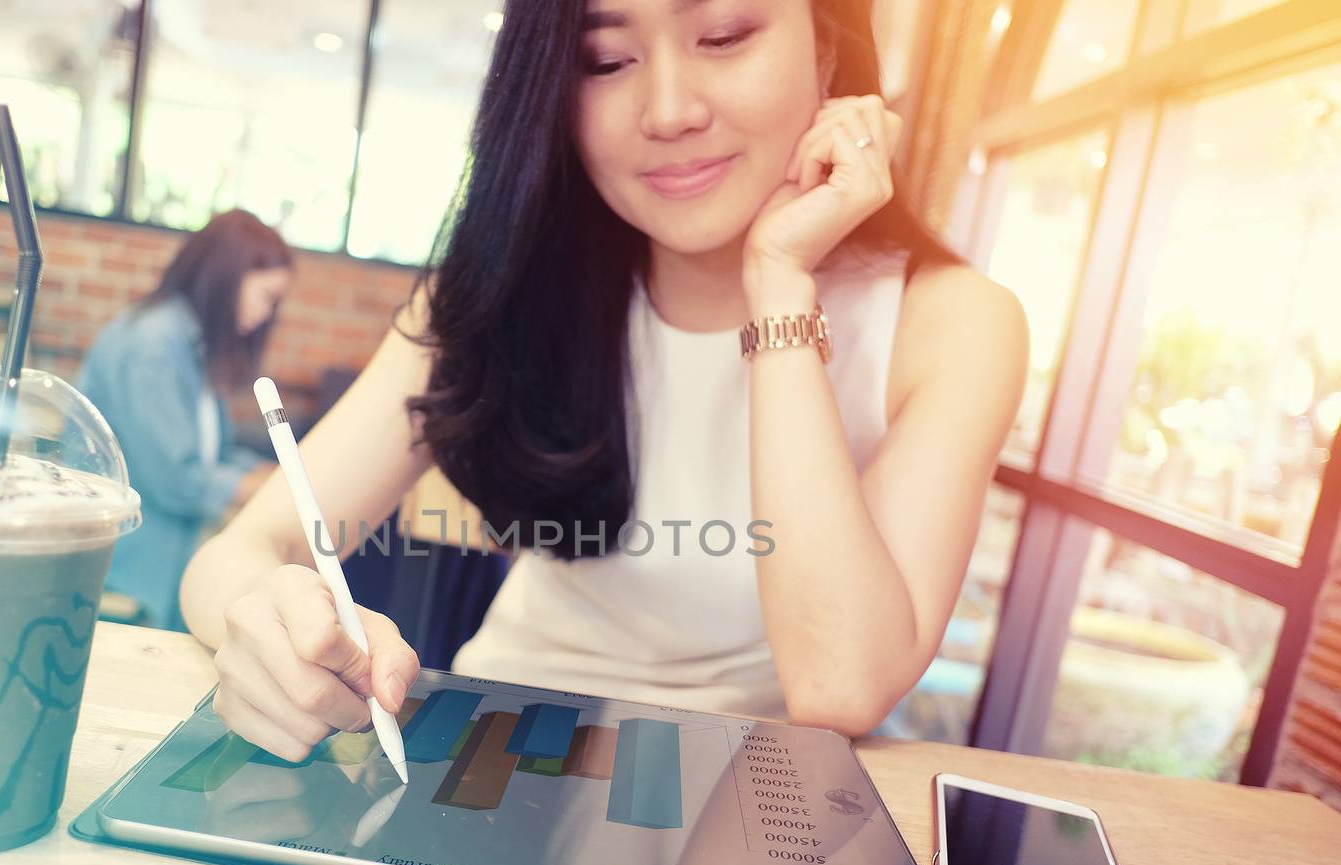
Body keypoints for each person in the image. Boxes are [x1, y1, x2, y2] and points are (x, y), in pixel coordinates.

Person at [179, 0, 1028, 763]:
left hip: (750, 802)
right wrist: (268, 623)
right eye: (606, 61)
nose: (668, 111)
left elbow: (840, 683)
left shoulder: (952, 325)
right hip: (496, 758)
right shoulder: (505, 291)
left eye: (724, 36)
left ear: (831, 51)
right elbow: (241, 554)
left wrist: (778, 282)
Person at [79, 209, 291, 630]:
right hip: (134, 557)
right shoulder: (153, 347)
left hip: (169, 542)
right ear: (228, 277)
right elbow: (177, 481)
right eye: (266, 296)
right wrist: (265, 484)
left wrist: (268, 473)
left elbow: (212, 451)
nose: (268, 314)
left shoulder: (185, 340)